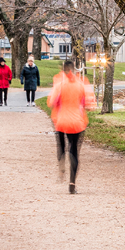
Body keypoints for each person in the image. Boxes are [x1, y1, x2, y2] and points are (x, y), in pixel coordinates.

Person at [48, 61, 96, 194]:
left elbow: (51, 102)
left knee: (61, 144)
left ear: (63, 70)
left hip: (61, 121)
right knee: (74, 150)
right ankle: (72, 183)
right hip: (77, 123)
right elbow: (90, 104)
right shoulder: (82, 84)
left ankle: (62, 159)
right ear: (74, 70)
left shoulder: (60, 84)